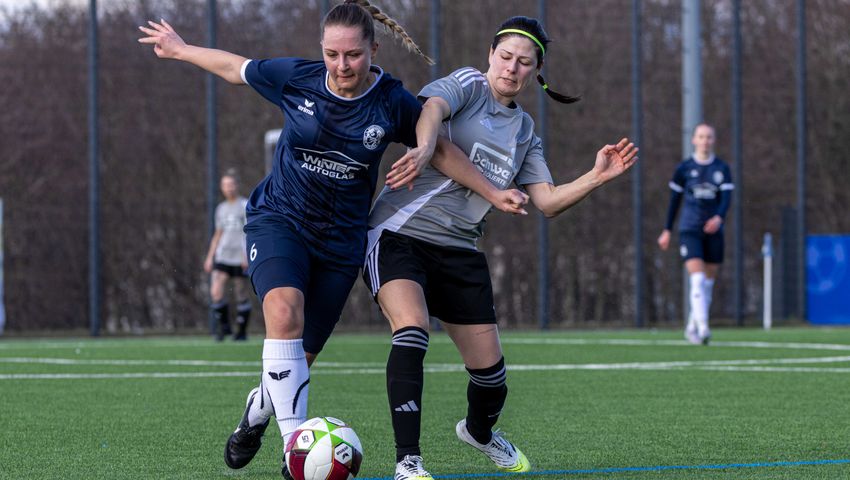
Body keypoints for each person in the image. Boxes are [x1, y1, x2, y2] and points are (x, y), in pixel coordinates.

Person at [138, 1, 527, 477]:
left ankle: (258, 409)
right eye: (332, 54)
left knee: (298, 359)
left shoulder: (390, 100)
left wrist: (492, 191)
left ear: (373, 50)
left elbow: (441, 148)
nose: (342, 65)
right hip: (280, 221)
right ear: (321, 50)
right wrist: (180, 50)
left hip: (341, 245)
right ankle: (294, 451)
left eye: (353, 55)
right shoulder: (297, 79)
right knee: (283, 313)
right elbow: (235, 68)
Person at [363, 16, 638, 480]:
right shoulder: (470, 85)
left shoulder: (525, 131)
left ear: (536, 71)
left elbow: (547, 201)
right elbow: (430, 108)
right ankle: (408, 462)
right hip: (399, 234)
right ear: (491, 55)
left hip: (459, 250)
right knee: (411, 331)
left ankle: (479, 433)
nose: (512, 68)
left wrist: (596, 176)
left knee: (491, 378)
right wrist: (426, 148)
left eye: (524, 62)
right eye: (505, 56)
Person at [657, 123, 733, 345]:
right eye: (701, 136)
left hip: (714, 231)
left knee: (707, 284)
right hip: (689, 229)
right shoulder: (684, 168)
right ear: (694, 140)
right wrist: (667, 230)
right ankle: (704, 327)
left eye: (709, 137)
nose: (705, 140)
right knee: (697, 279)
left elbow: (726, 200)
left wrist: (718, 218)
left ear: (713, 140)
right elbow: (674, 201)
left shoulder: (722, 168)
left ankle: (692, 326)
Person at [203, 170, 251, 341]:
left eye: (231, 184)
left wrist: (247, 255)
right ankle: (224, 328)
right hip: (223, 255)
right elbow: (218, 233)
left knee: (241, 293)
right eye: (225, 185)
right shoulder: (221, 209)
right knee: (216, 291)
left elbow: (250, 232)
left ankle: (241, 332)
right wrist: (210, 256)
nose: (228, 188)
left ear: (237, 185)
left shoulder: (245, 205)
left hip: (240, 257)